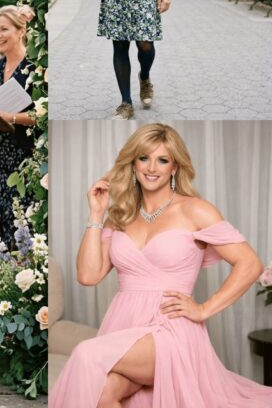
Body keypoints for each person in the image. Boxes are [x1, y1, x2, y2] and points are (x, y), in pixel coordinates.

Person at [52, 124, 272, 407]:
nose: (152, 168)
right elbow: (88, 275)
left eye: (163, 160)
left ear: (175, 167)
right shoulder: (119, 216)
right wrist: (96, 214)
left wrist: (204, 309)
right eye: (144, 158)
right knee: (102, 393)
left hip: (171, 331)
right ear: (133, 163)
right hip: (123, 326)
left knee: (86, 353)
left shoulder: (195, 210)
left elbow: (250, 264)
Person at [0, 6, 36, 248]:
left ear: (21, 31)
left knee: (22, 210)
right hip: (0, 150)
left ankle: (26, 260)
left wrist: (11, 117)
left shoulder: (34, 67)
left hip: (25, 151)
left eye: (4, 29)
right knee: (1, 208)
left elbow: (44, 114)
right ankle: (3, 262)